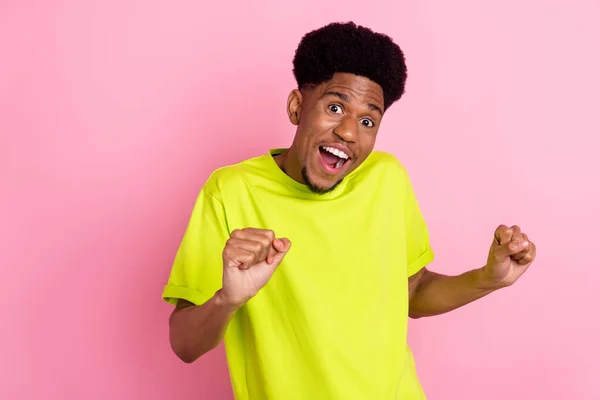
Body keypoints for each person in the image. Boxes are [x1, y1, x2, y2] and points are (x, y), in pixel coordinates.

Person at [162, 21, 537, 400]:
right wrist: (228, 299)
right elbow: (184, 345)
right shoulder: (231, 191)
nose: (349, 132)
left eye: (367, 120)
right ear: (297, 107)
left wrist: (491, 277)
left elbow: (412, 291)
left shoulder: (386, 179)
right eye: (335, 106)